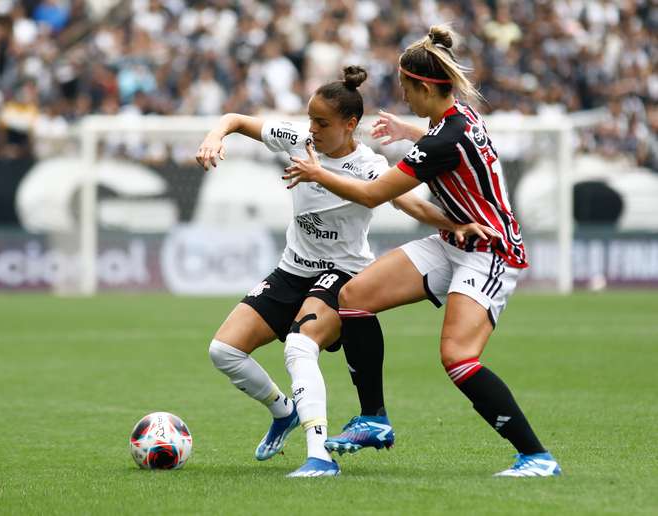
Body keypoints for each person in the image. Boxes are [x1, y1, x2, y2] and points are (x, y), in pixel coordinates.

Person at [283, 27, 562, 477]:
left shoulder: (440, 141)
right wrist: (407, 129)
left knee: (457, 357)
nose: (404, 98)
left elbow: (374, 195)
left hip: (489, 250)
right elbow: (443, 138)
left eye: (407, 90)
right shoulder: (459, 118)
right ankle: (373, 418)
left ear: (426, 87)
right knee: (354, 298)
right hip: (453, 241)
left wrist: (318, 174)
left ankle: (536, 456)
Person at [197, 66, 492, 477]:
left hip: (343, 274)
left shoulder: (368, 167)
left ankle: (319, 456)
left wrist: (456, 225)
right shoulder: (298, 140)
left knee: (299, 347)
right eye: (310, 119)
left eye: (322, 122)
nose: (312, 129)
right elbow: (236, 120)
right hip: (292, 270)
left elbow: (414, 206)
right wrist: (215, 137)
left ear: (350, 124)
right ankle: (283, 412)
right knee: (223, 352)